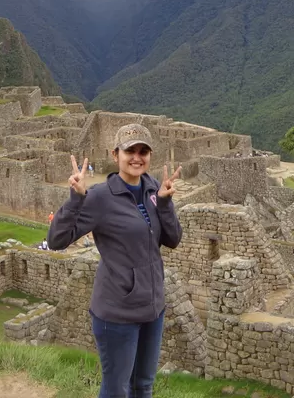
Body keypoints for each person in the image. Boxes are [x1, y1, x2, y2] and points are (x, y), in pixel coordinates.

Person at [47, 123, 182, 398]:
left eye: (143, 151)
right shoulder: (100, 197)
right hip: (117, 313)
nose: (137, 157)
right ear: (115, 155)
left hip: (152, 308)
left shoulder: (153, 188)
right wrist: (75, 199)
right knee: (116, 389)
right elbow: (56, 240)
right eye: (130, 150)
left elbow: (173, 239)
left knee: (143, 386)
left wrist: (166, 204)